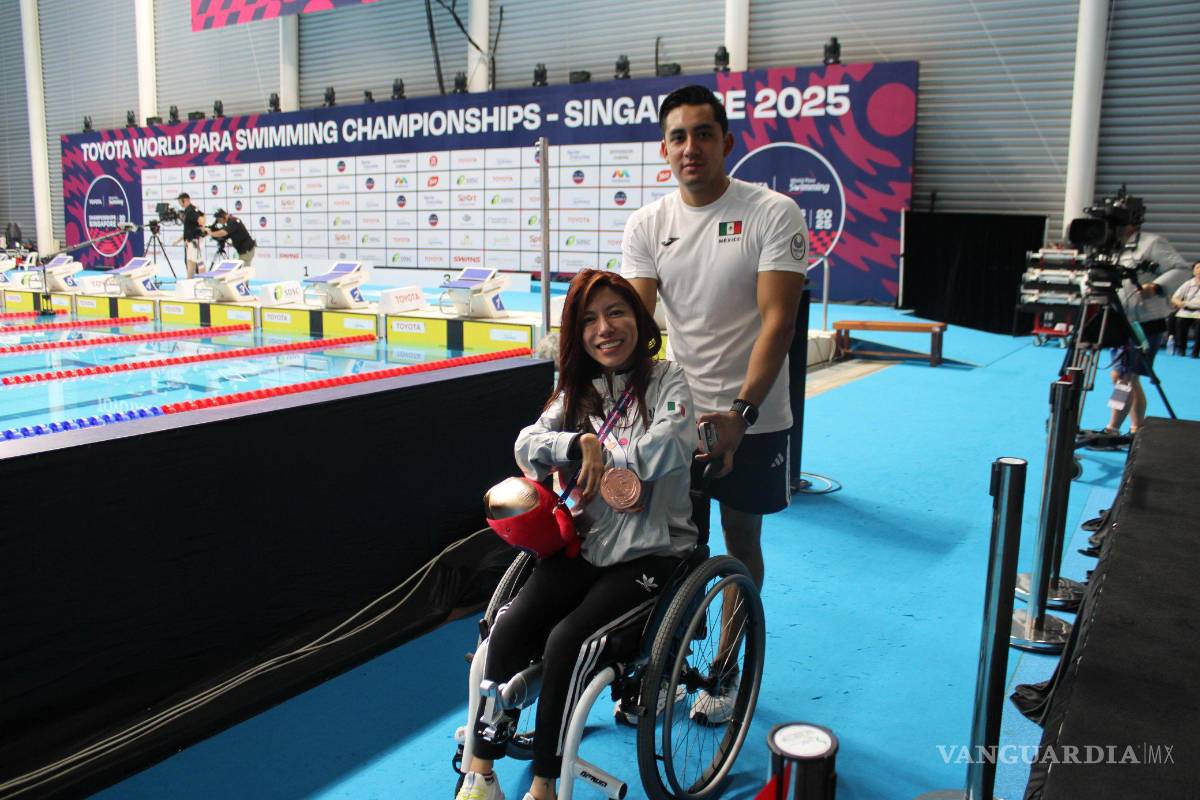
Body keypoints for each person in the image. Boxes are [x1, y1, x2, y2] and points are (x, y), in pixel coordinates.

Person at [456, 270, 699, 800]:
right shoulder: (576, 391)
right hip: (584, 547)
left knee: (570, 640)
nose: (604, 328)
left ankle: (545, 782)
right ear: (576, 333)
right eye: (589, 320)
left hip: (649, 555)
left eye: (616, 312)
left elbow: (671, 445)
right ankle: (481, 771)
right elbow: (528, 446)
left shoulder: (668, 381)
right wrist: (574, 444)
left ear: (638, 318)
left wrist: (601, 451)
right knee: (507, 625)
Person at [620, 84, 808, 722]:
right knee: (672, 542)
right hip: (679, 416)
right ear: (663, 150)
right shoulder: (648, 225)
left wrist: (742, 413)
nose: (690, 147)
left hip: (753, 414)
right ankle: (677, 662)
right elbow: (638, 323)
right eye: (678, 136)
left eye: (704, 133)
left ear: (727, 142)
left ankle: (725, 670)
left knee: (739, 538)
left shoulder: (771, 212)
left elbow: (778, 321)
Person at [1103, 210, 1190, 435]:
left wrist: (1157, 286)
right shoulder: (1108, 246)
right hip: (1117, 318)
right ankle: (1136, 427)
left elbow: (1181, 269)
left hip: (1144, 320)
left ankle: (1113, 428)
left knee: (1124, 377)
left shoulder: (1152, 243)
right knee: (1124, 376)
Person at [171, 193, 206, 279]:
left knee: (199, 262)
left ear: (185, 200)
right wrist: (178, 240)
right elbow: (188, 230)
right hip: (190, 241)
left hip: (195, 241)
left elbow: (202, 219)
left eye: (180, 201)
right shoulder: (187, 211)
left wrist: (202, 228)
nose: (179, 203)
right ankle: (189, 281)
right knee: (190, 262)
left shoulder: (191, 210)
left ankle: (204, 280)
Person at [1170, 261, 1200, 358]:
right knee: (1180, 321)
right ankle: (1181, 348)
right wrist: (1179, 303)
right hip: (1186, 311)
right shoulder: (1187, 284)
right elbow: (1174, 298)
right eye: (1198, 268)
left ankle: (1196, 350)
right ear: (1193, 271)